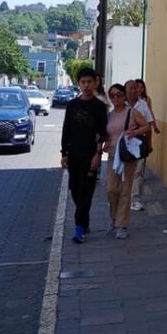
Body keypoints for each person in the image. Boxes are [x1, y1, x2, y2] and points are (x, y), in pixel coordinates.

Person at [60, 69, 107, 244]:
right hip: (74, 154)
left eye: (89, 82)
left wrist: (97, 155)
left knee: (86, 191)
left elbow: (102, 133)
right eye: (83, 82)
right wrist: (64, 153)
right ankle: (84, 221)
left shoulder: (99, 106)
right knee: (75, 189)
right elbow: (66, 130)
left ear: (95, 83)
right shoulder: (72, 105)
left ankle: (79, 228)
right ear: (79, 83)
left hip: (90, 155)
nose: (86, 85)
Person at [104, 83, 150, 239]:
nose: (115, 98)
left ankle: (121, 225)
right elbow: (107, 133)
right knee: (111, 189)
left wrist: (135, 132)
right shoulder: (110, 115)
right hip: (112, 156)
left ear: (124, 96)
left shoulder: (132, 112)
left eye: (118, 95)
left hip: (128, 156)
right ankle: (114, 217)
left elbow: (147, 127)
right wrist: (104, 144)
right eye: (112, 96)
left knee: (125, 190)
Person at [125, 79, 156, 211]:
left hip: (139, 142)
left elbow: (148, 126)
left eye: (136, 88)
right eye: (131, 88)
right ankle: (123, 198)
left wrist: (149, 144)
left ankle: (135, 199)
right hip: (124, 144)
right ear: (126, 90)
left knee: (138, 171)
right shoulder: (121, 104)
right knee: (124, 171)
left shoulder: (143, 105)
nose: (135, 90)